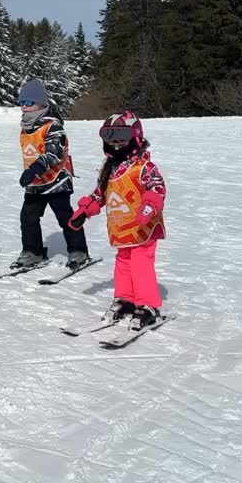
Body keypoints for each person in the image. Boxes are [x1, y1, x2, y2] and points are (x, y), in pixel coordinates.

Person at [69, 111, 166, 330]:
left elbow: (157, 188)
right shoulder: (109, 169)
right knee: (123, 263)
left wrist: (149, 205)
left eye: (121, 138)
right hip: (122, 229)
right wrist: (84, 212)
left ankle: (148, 305)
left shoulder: (144, 167)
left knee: (141, 264)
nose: (115, 144)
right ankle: (125, 298)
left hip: (144, 227)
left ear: (135, 137)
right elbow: (100, 195)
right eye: (110, 138)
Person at [12, 78, 90, 270]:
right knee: (28, 218)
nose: (24, 107)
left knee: (65, 217)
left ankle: (78, 251)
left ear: (41, 103)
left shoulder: (52, 125)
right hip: (35, 183)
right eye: (21, 103)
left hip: (56, 181)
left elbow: (54, 152)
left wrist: (34, 169)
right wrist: (32, 173)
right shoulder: (26, 127)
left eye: (28, 103)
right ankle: (33, 252)